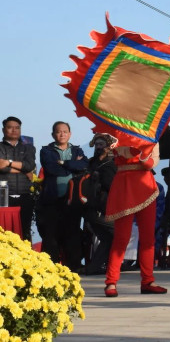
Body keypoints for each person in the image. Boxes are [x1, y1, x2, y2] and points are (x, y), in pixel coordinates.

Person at [103, 142, 167, 297]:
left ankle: (148, 280)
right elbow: (116, 155)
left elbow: (151, 163)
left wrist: (142, 153)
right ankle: (111, 281)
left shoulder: (151, 139)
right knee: (122, 238)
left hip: (146, 187)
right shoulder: (119, 136)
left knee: (148, 238)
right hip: (124, 186)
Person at [37, 121, 87, 270]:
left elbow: (83, 166)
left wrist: (62, 162)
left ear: (70, 134)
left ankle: (74, 266)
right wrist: (71, 165)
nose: (62, 134)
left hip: (72, 198)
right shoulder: (46, 151)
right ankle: (50, 266)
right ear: (53, 134)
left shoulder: (77, 150)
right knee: (51, 233)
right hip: (52, 198)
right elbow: (51, 169)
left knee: (72, 232)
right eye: (59, 132)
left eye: (65, 131)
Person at [81, 133, 117, 275]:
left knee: (108, 239)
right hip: (99, 208)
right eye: (97, 144)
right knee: (117, 233)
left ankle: (94, 267)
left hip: (91, 208)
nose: (98, 147)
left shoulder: (91, 163)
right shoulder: (108, 165)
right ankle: (113, 266)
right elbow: (111, 186)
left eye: (101, 144)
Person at [0, 116, 37, 240]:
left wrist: (8, 162)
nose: (14, 130)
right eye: (10, 127)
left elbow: (30, 166)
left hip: (25, 194)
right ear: (3, 130)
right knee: (4, 231)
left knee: (25, 231)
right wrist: (23, 170)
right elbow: (1, 167)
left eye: (17, 128)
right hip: (3, 195)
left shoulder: (28, 148)